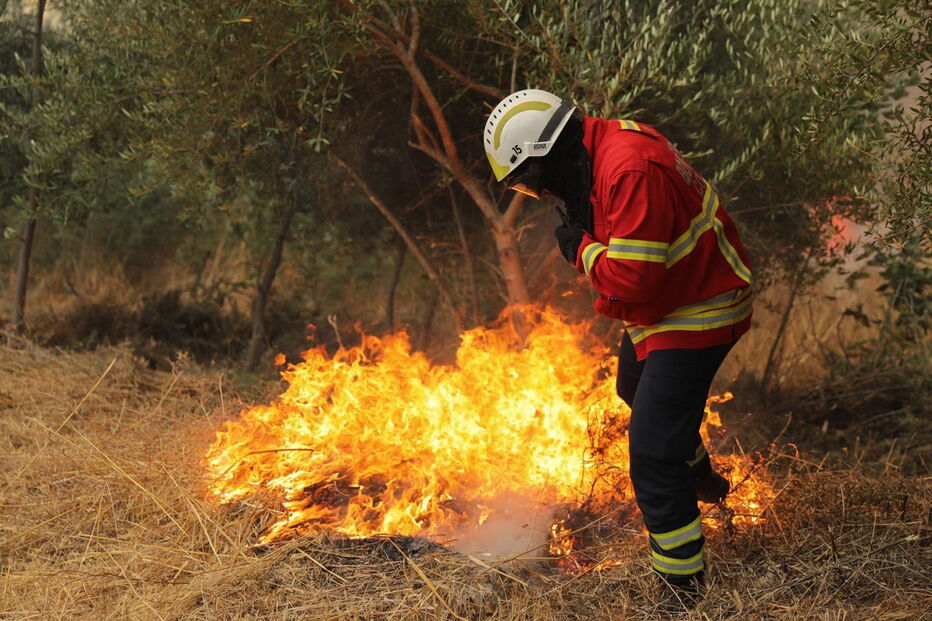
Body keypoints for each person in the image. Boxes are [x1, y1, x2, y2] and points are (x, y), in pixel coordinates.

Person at [483, 89, 753, 598]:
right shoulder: (599, 148)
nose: (542, 194)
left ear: (552, 151)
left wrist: (580, 250)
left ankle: (681, 592)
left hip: (700, 304)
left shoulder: (627, 169)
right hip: (674, 299)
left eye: (534, 182)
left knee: (651, 456)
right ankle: (700, 478)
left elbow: (632, 281)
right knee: (633, 387)